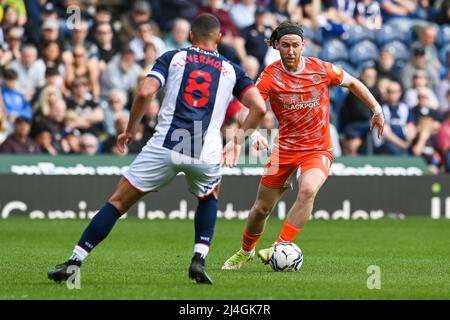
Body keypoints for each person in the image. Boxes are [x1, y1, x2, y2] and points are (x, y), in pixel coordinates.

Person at [47, 13, 266, 285]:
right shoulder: (233, 69)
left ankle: (75, 262)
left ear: (190, 36)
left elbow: (144, 92)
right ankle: (199, 259)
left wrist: (130, 129)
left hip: (166, 144)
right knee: (209, 197)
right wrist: (235, 144)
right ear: (219, 38)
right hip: (205, 150)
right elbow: (259, 107)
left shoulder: (173, 57)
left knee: (117, 202)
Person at [222, 21, 384, 270]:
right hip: (284, 149)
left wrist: (376, 108)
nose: (291, 51)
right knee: (261, 209)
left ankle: (280, 246)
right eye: (285, 45)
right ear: (276, 46)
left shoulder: (321, 68)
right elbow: (251, 109)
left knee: (308, 189)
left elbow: (353, 83)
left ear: (303, 45)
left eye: (296, 45)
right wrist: (252, 135)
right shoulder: (270, 75)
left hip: (317, 148)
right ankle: (246, 251)